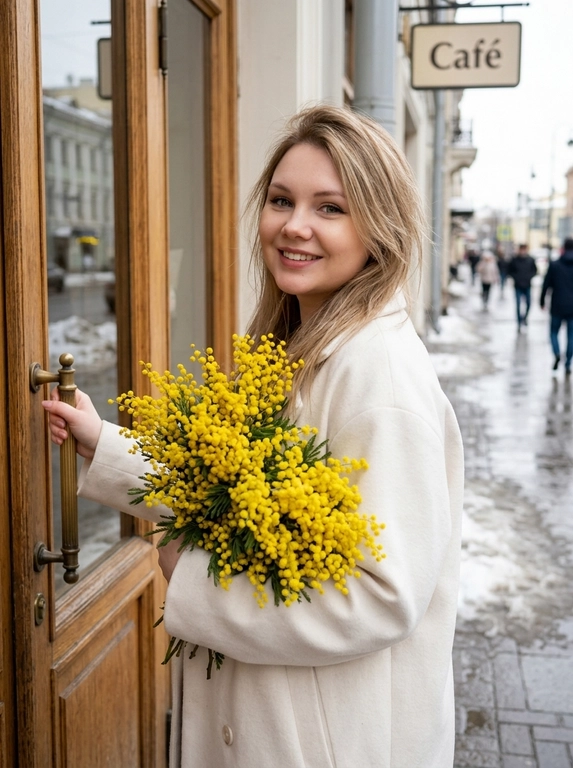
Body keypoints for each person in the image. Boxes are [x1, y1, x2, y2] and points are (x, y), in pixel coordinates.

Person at [43, 106, 464, 768]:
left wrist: (197, 581)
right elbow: (243, 490)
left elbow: (382, 595)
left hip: (322, 738)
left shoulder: (378, 377)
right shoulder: (304, 343)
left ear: (378, 230)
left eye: (330, 208)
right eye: (280, 200)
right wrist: (107, 445)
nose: (293, 225)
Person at [540, 237, 573, 374]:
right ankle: (567, 364)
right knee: (571, 336)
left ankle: (557, 353)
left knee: (553, 332)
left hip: (557, 306)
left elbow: (546, 284)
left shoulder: (554, 265)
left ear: (563, 248)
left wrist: (541, 300)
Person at [507, 243, 537, 330]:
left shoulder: (530, 260)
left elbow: (534, 270)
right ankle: (519, 322)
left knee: (528, 303)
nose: (523, 251)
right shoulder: (514, 260)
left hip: (527, 285)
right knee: (518, 304)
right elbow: (509, 271)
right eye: (522, 249)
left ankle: (524, 318)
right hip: (518, 285)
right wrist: (516, 278)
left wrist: (529, 277)